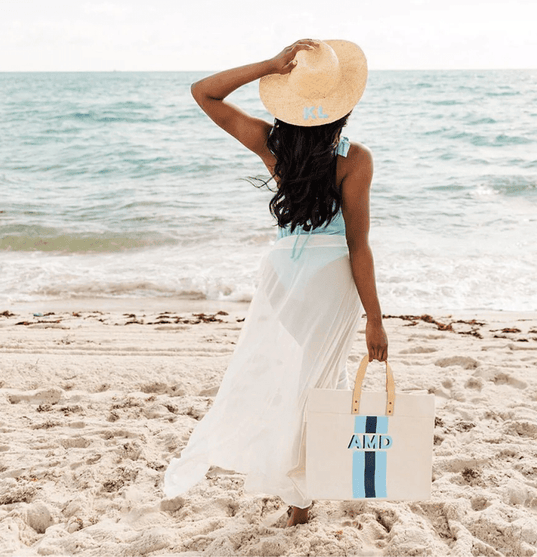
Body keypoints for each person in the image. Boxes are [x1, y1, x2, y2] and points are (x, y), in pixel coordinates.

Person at [163, 39, 388, 527]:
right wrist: (375, 317)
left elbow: (205, 93)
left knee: (298, 381)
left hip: (284, 275)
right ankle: (304, 491)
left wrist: (267, 65)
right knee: (323, 381)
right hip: (330, 280)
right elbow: (358, 246)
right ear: (343, 104)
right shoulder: (356, 159)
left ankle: (301, 494)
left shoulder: (272, 145)